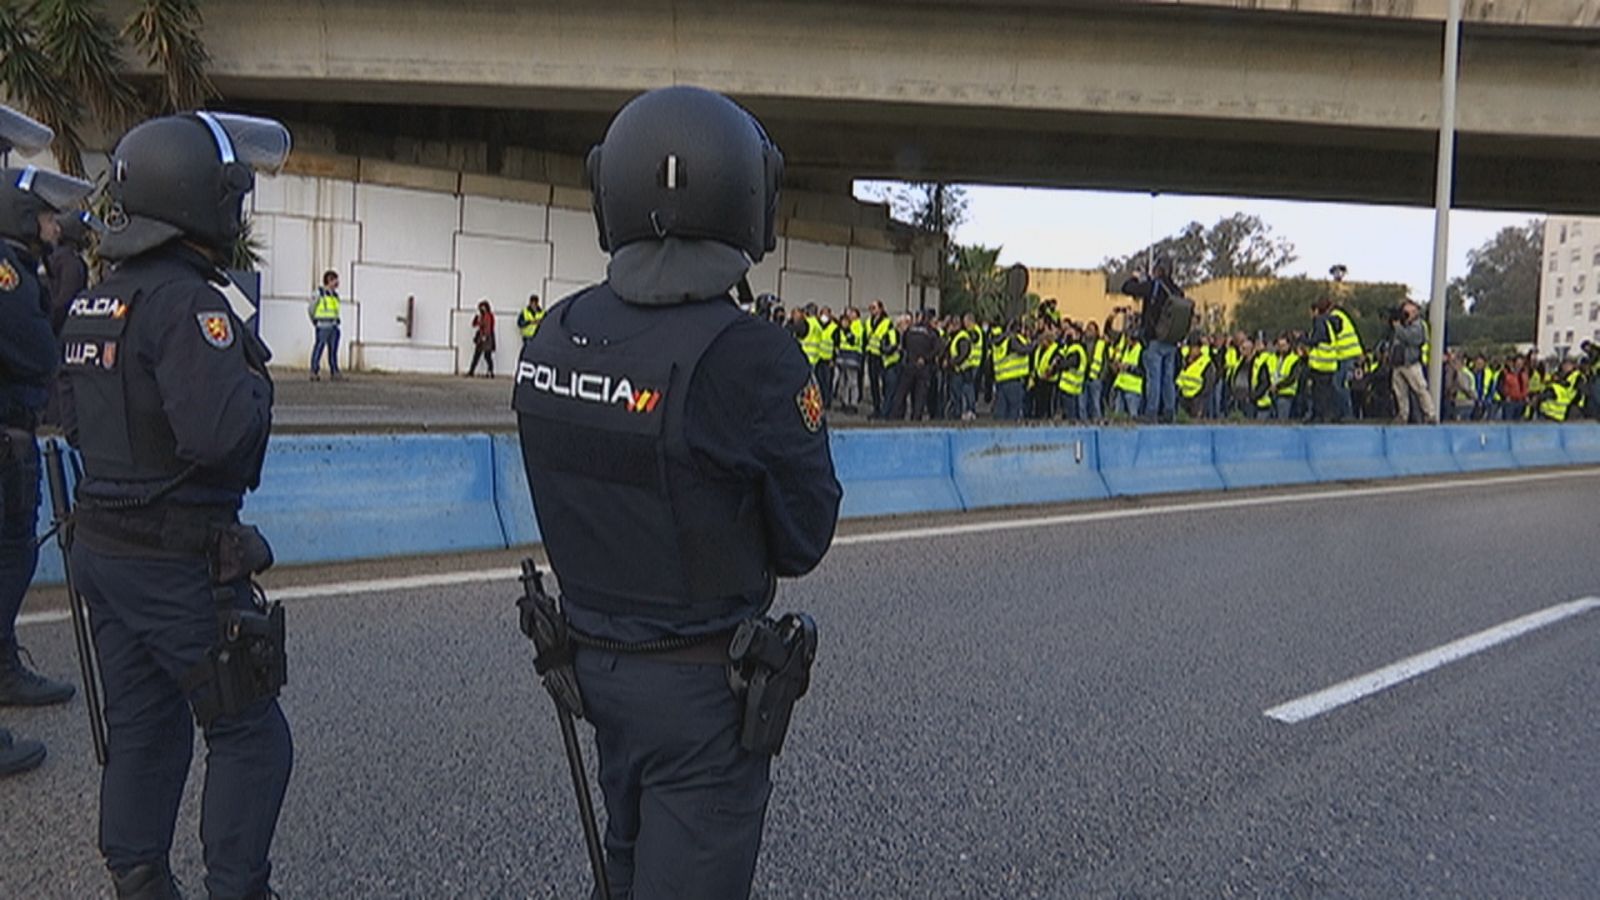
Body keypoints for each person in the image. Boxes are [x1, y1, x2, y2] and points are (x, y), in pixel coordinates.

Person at [513, 86, 840, 899]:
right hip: (699, 691)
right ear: (744, 197)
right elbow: (803, 538)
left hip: (588, 665)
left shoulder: (554, 333)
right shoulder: (751, 355)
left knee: (622, 868)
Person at [59, 111, 293, 899]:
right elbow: (225, 437)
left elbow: (71, 414)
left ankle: (137, 875)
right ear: (199, 198)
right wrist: (257, 386)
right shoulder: (193, 306)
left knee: (145, 724)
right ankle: (237, 886)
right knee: (251, 734)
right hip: (176, 557)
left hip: (103, 550)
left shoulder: (94, 302)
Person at [1, 106, 89, 777]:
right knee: (8, 564)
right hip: (7, 435)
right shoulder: (9, 269)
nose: (55, 225)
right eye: (46, 217)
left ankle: (4, 665)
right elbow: (34, 350)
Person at [1121, 259, 1184, 423]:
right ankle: (1169, 412)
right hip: (1171, 341)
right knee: (1168, 378)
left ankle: (1151, 413)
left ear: (1157, 270)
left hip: (1155, 340)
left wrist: (1135, 278)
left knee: (1153, 377)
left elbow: (1127, 288)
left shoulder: (1153, 286)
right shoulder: (1177, 291)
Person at [1388, 301, 1437, 424]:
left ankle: (1430, 414)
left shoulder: (1418, 325)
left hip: (1411, 362)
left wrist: (1398, 327)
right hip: (1398, 363)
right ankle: (1403, 415)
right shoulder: (1403, 325)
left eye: (1407, 312)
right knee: (1400, 392)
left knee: (1420, 389)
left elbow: (1412, 338)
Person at [308, 268, 342, 381]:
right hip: (322, 326)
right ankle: (314, 371)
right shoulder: (319, 293)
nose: (337, 283)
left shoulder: (334, 296)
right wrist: (315, 321)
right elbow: (311, 308)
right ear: (329, 280)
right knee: (319, 348)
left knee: (333, 350)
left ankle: (334, 372)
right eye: (335, 280)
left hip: (333, 326)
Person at [467, 299, 497, 377]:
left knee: (487, 355)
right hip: (481, 337)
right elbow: (474, 324)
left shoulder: (488, 316)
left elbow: (488, 326)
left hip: (487, 337)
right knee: (477, 355)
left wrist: (485, 336)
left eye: (483, 307)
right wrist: (476, 317)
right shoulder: (481, 316)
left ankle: (490, 371)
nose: (482, 309)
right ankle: (471, 371)